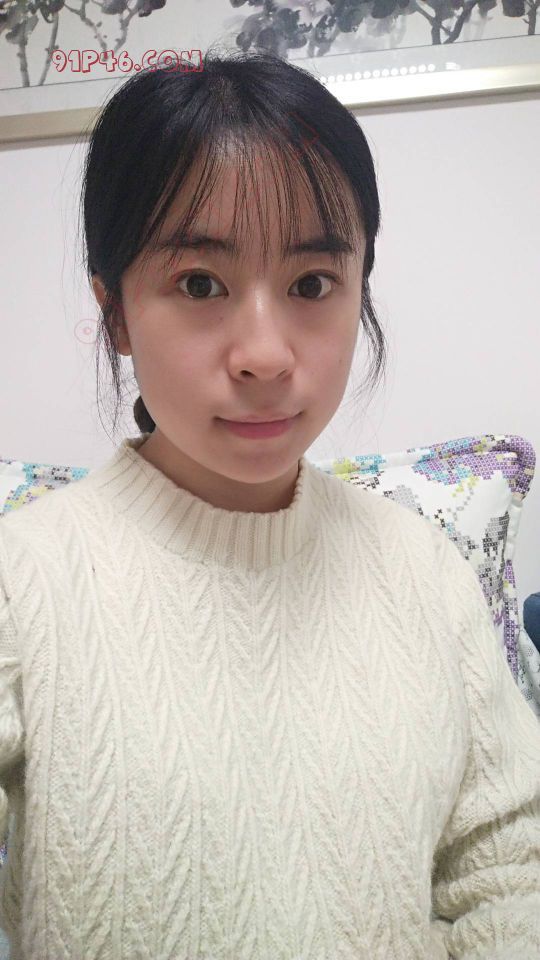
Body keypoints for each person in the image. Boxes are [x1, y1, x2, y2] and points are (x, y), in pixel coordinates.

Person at [0, 48, 539, 960]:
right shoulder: (24, 580)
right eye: (199, 283)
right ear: (116, 311)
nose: (265, 354)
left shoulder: (424, 572)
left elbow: (511, 868)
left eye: (312, 284)